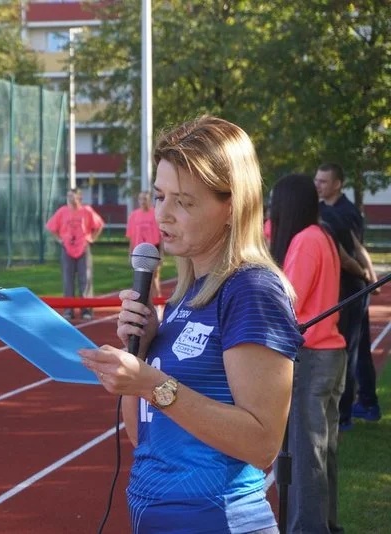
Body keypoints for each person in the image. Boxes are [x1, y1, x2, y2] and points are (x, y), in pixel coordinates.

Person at [79, 116, 303, 533]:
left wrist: (149, 383)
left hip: (218, 519)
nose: (162, 215)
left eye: (184, 201)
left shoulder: (252, 290)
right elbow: (141, 434)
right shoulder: (186, 295)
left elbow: (262, 443)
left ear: (231, 205)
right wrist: (140, 354)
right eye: (160, 196)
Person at [269, 173, 347, 534]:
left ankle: (308, 529)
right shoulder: (323, 236)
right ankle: (325, 525)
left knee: (305, 454)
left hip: (313, 356)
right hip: (330, 354)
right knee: (322, 450)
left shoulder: (305, 240)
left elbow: (288, 299)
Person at [314, 163, 382, 428]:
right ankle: (367, 402)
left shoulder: (346, 212)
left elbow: (353, 250)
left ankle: (348, 414)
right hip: (347, 286)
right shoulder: (321, 209)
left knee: (350, 349)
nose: (317, 184)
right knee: (358, 347)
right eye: (316, 180)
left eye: (323, 181)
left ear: (338, 184)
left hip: (351, 288)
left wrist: (368, 278)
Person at [46, 187, 104, 320]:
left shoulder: (86, 211)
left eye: (73, 197)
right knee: (68, 280)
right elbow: (51, 227)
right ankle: (68, 310)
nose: (70, 199)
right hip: (67, 249)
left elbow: (99, 224)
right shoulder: (62, 211)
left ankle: (86, 310)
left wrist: (92, 238)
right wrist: (60, 239)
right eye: (68, 197)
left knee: (85, 280)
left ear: (79, 198)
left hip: (83, 248)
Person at [126, 191, 163, 297]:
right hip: (139, 251)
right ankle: (144, 303)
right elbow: (131, 237)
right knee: (140, 280)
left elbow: (161, 237)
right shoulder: (134, 215)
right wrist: (130, 254)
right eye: (141, 199)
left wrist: (161, 254)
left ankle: (158, 303)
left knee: (154, 278)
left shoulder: (155, 214)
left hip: (152, 249)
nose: (143, 201)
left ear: (149, 200)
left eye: (145, 199)